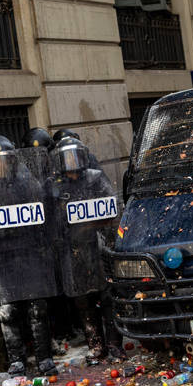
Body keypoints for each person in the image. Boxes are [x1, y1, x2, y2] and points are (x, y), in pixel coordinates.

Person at [0, 136, 58, 376]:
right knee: (7, 312)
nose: (1, 165)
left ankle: (44, 358)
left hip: (28, 255)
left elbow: (43, 218)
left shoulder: (27, 184)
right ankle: (16, 359)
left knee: (37, 308)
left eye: (5, 161)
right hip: (2, 259)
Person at [45, 138, 126, 362]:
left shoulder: (95, 178)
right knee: (83, 301)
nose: (71, 162)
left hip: (97, 247)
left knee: (107, 297)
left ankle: (114, 345)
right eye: (66, 157)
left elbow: (112, 208)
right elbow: (51, 222)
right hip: (72, 252)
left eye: (75, 156)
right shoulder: (55, 186)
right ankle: (96, 345)